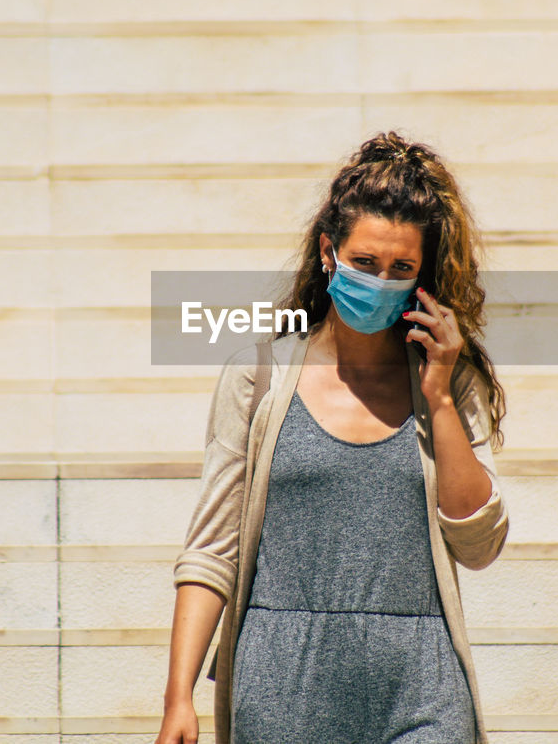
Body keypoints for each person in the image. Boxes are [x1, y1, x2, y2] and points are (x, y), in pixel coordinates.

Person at [155, 131, 510, 744]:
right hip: (282, 683)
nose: (380, 281)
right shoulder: (259, 375)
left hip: (419, 686)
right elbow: (212, 548)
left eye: (401, 268)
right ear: (329, 251)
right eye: (365, 263)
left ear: (423, 275)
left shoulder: (447, 379)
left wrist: (441, 397)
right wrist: (178, 698)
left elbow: (478, 543)